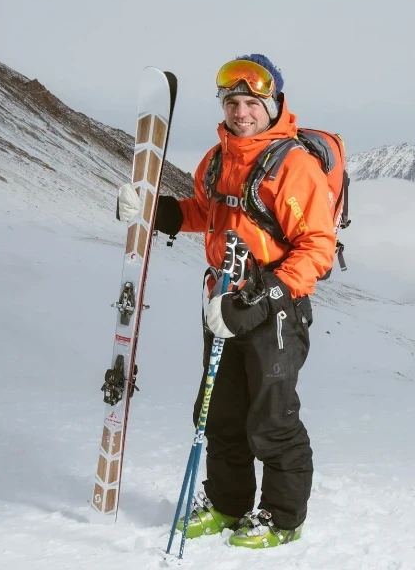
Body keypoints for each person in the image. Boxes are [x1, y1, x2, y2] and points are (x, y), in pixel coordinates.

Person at [118, 54, 336, 548]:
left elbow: (317, 248)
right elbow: (206, 211)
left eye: (251, 103)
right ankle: (227, 504)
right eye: (232, 102)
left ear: (273, 103)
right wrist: (155, 211)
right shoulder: (217, 159)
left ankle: (282, 519)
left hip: (275, 309)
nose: (241, 112)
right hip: (221, 300)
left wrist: (262, 300)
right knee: (217, 410)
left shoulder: (293, 166)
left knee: (270, 417)